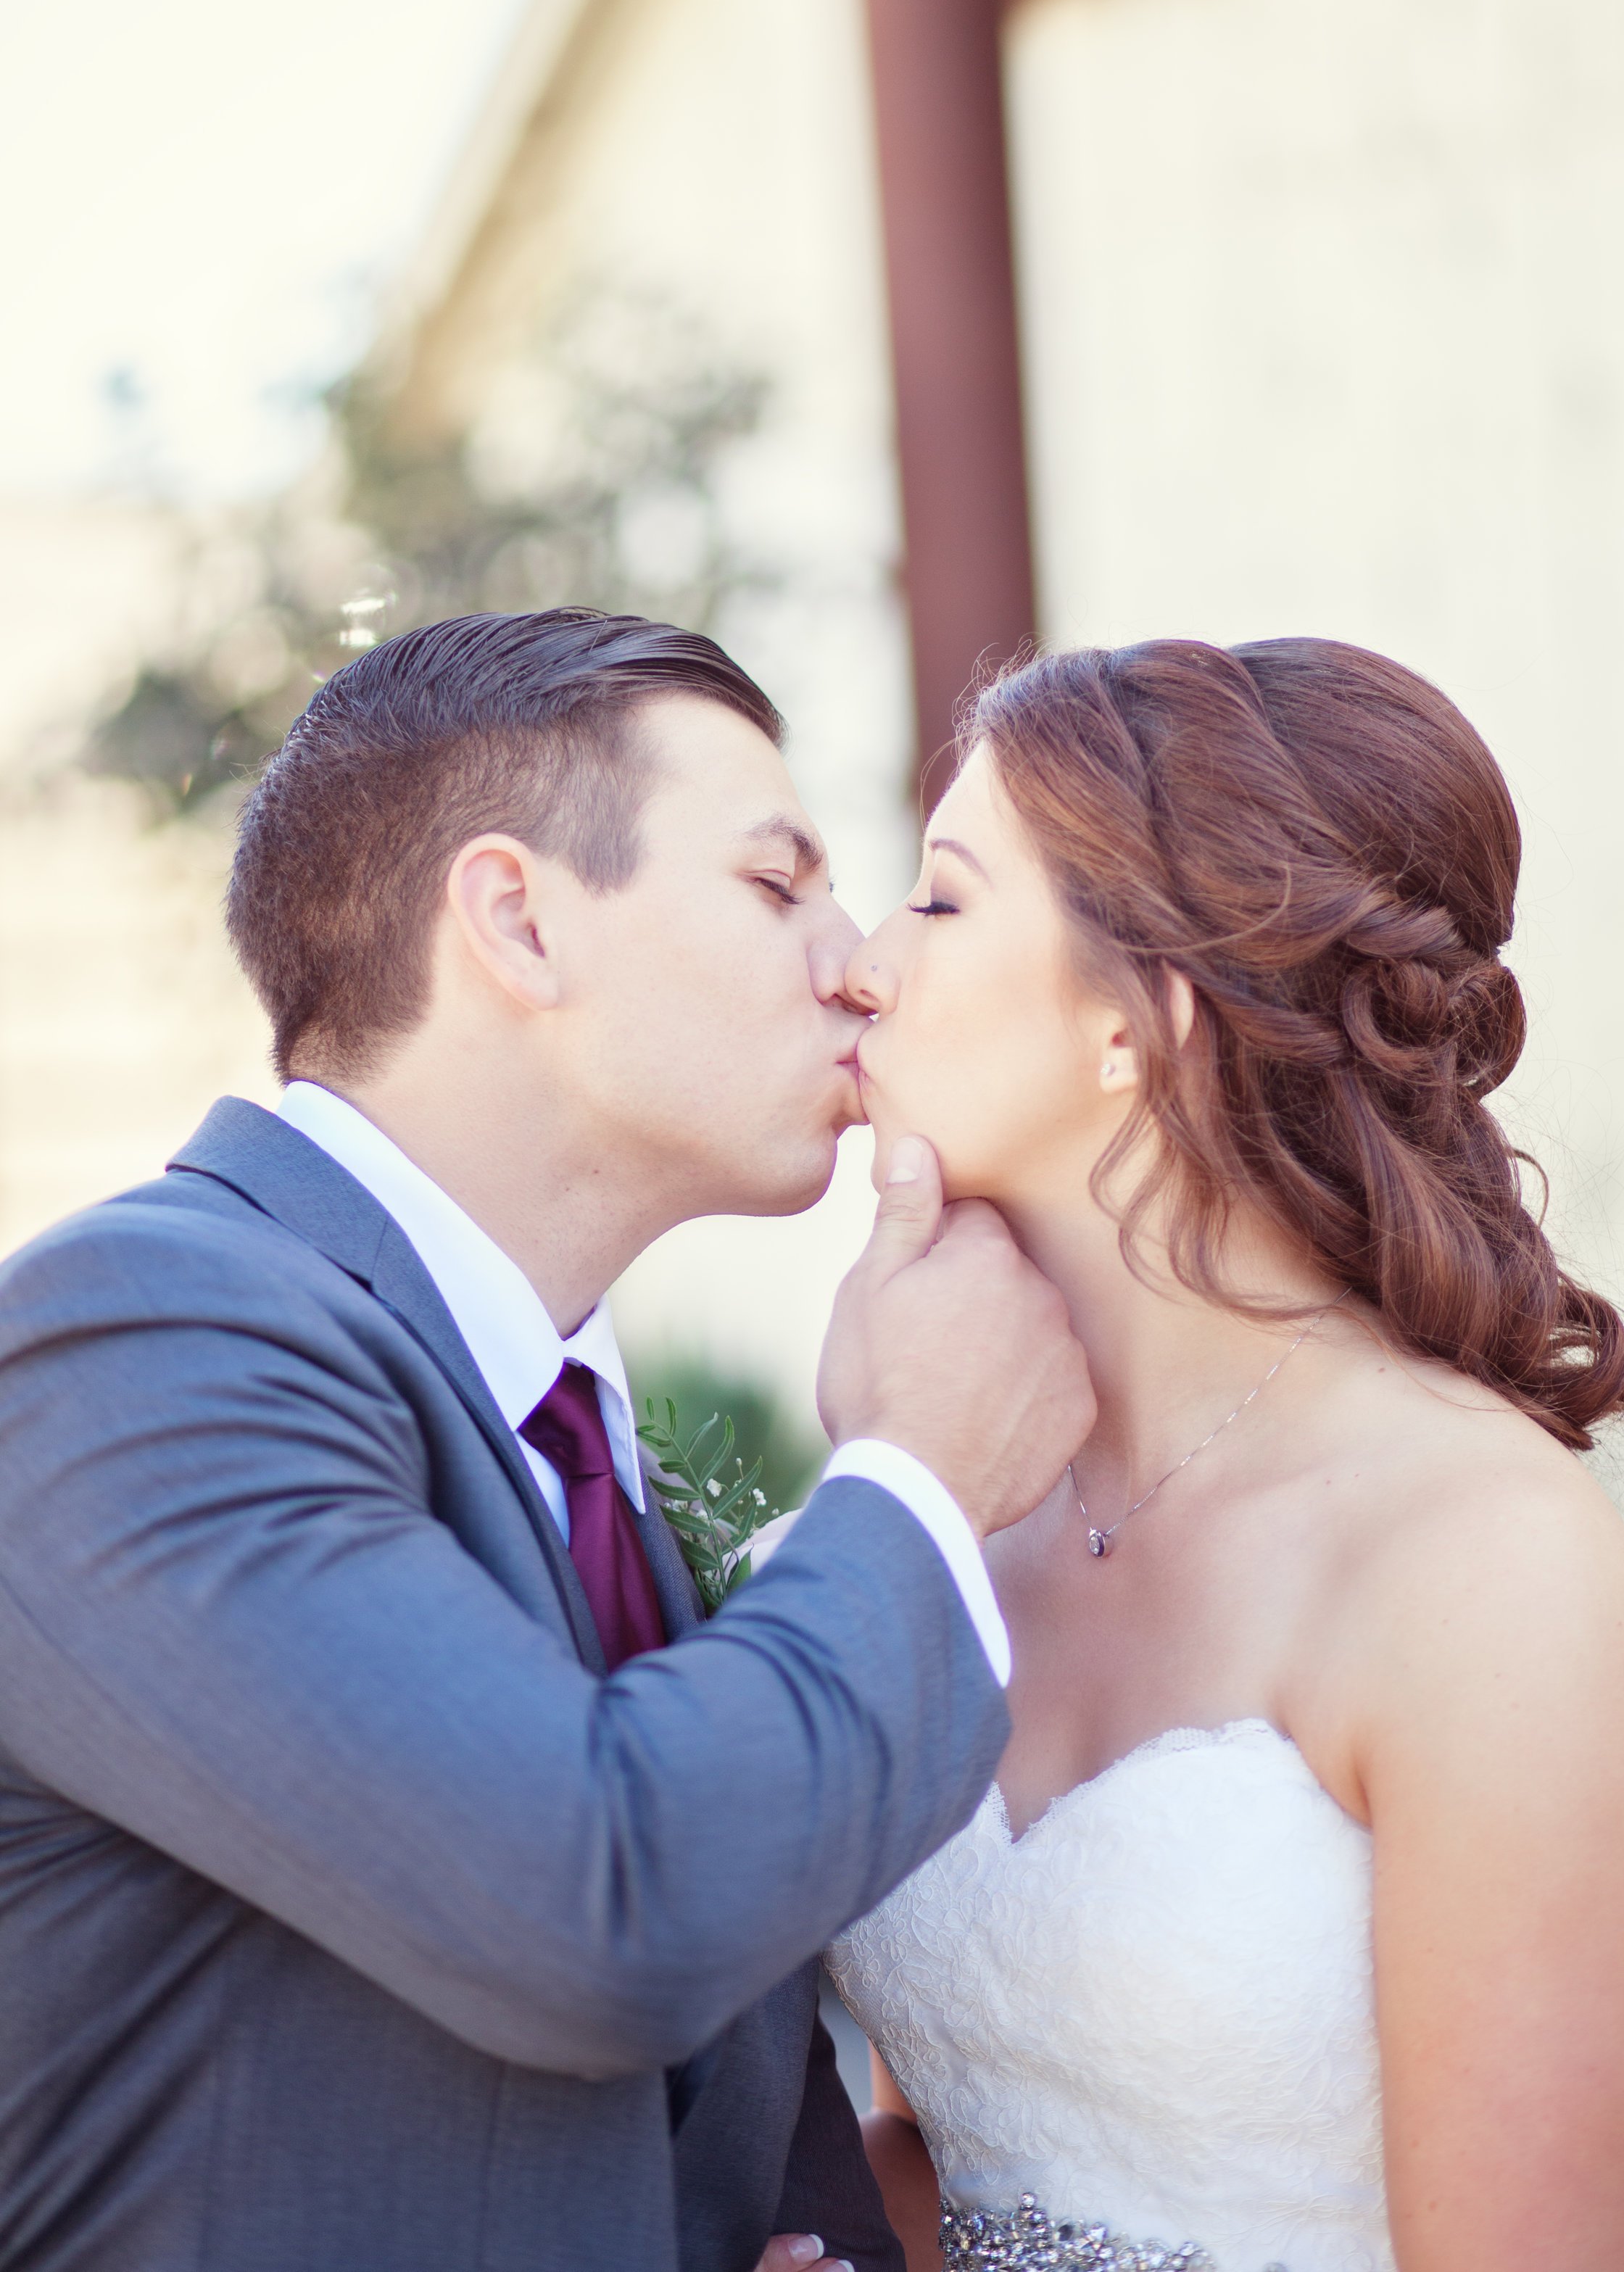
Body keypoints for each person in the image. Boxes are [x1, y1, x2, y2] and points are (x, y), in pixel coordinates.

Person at [0, 608, 1095, 2272]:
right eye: (775, 881)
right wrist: (919, 1476)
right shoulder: (126, 1341)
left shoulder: (568, 1444)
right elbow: (601, 1910)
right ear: (516, 921)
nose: (857, 958)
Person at [828, 637, 1624, 2272]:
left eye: (940, 901)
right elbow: (972, 2144)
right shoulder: (955, 1495)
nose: (861, 966)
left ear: (1139, 1025)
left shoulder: (1476, 1565)